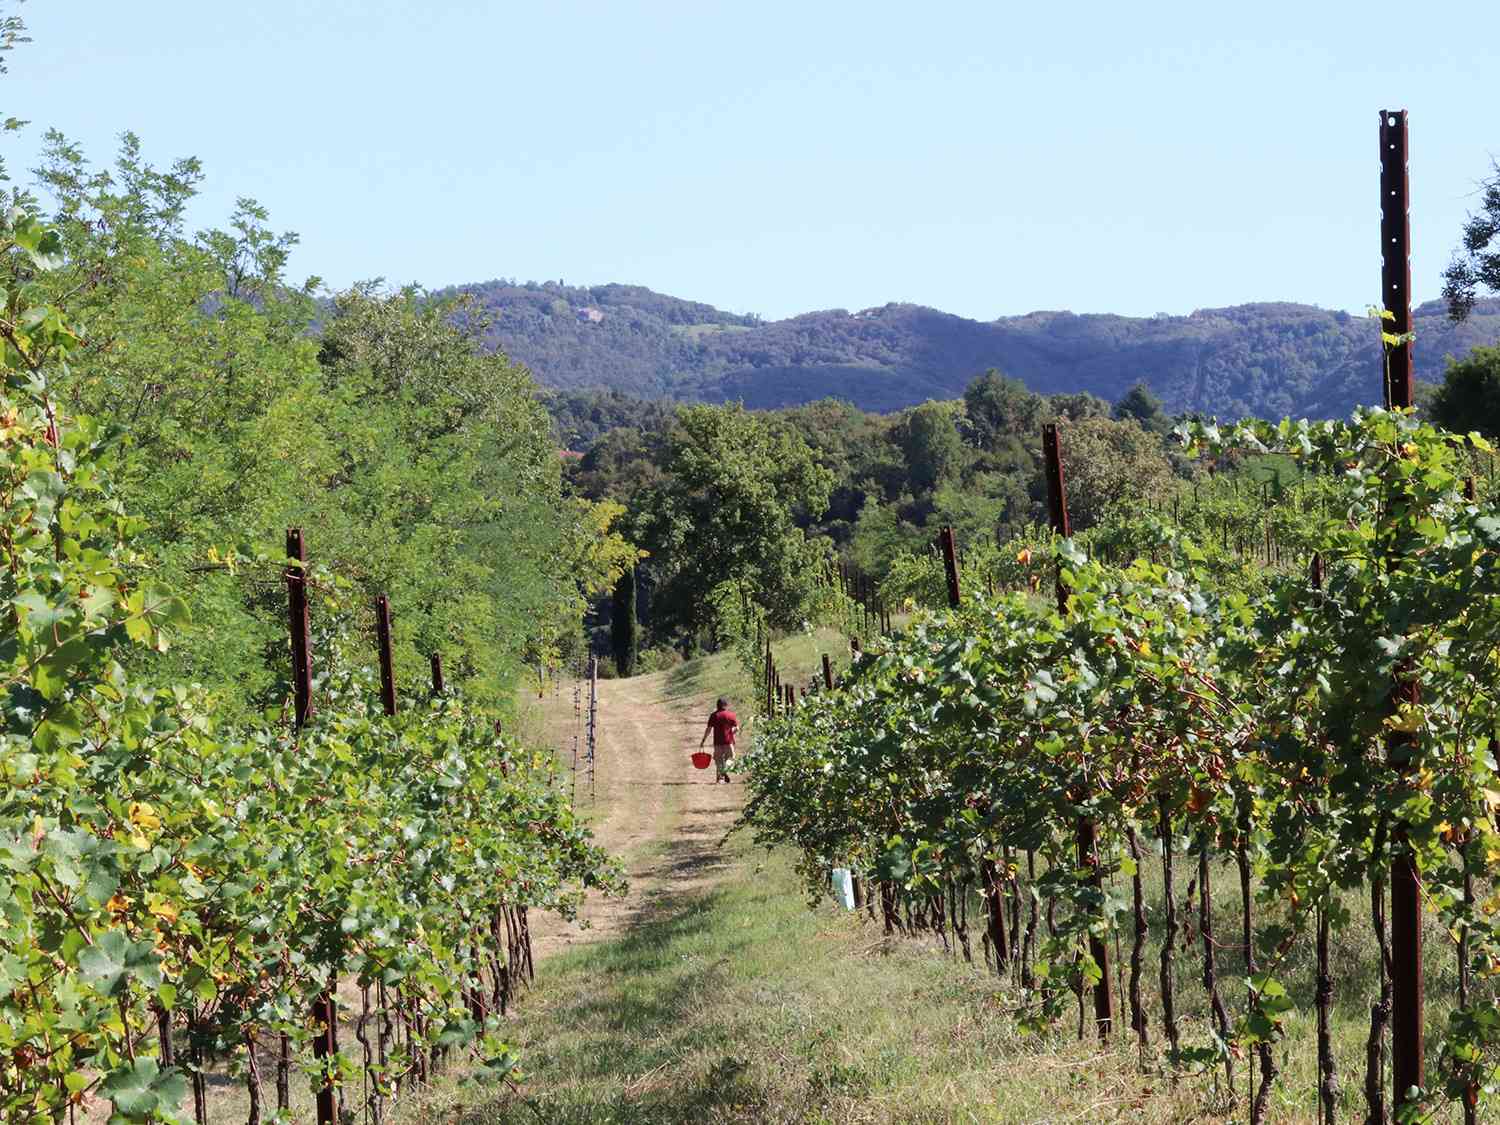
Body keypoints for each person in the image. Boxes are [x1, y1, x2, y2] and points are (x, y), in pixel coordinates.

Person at [700, 697, 738, 783]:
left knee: (719, 761)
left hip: (717, 742)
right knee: (731, 758)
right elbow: (737, 728)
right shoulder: (731, 715)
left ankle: (720, 779)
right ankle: (725, 771)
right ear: (726, 705)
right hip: (728, 742)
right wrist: (731, 733)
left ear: (717, 706)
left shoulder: (714, 715)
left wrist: (703, 740)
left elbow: (709, 729)